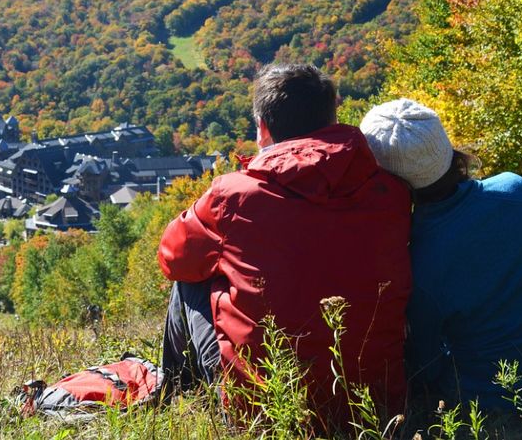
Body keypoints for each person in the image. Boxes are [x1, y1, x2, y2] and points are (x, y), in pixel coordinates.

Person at [157, 64, 413, 429]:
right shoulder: (390, 191)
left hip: (265, 413)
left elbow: (172, 259)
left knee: (189, 283)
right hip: (377, 408)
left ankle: (174, 400)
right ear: (332, 117)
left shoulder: (233, 195)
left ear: (263, 129)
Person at [360, 98, 522, 410]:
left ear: (388, 180)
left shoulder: (417, 257)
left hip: (494, 397)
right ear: (445, 147)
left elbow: (428, 366)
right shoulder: (519, 190)